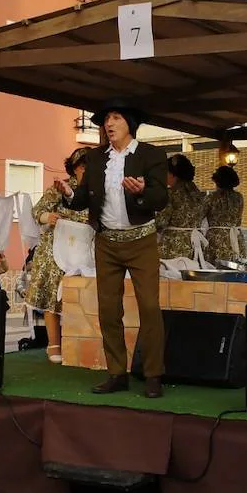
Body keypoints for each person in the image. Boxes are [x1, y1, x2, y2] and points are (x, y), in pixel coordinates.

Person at [53, 104, 168, 398]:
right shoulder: (95, 157)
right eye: (106, 119)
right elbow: (82, 199)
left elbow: (161, 198)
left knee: (150, 308)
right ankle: (117, 373)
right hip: (106, 243)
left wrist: (142, 191)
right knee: (108, 309)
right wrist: (68, 194)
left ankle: (153, 374)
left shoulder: (150, 155)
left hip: (141, 241)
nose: (109, 123)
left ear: (129, 123)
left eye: (116, 118)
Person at [25, 148, 91, 363]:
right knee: (52, 294)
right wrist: (48, 216)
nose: (85, 170)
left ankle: (80, 340)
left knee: (82, 295)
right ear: (75, 168)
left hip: (84, 248)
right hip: (56, 247)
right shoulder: (59, 188)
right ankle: (54, 344)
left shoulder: (96, 191)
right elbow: (37, 211)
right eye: (82, 166)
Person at [157, 154, 207, 264]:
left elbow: (161, 221)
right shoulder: (199, 194)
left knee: (172, 277)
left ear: (173, 174)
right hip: (195, 244)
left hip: (174, 245)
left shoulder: (171, 194)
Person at [202, 166, 244, 266]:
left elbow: (199, 215)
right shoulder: (239, 197)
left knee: (216, 268)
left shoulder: (211, 197)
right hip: (236, 237)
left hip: (217, 239)